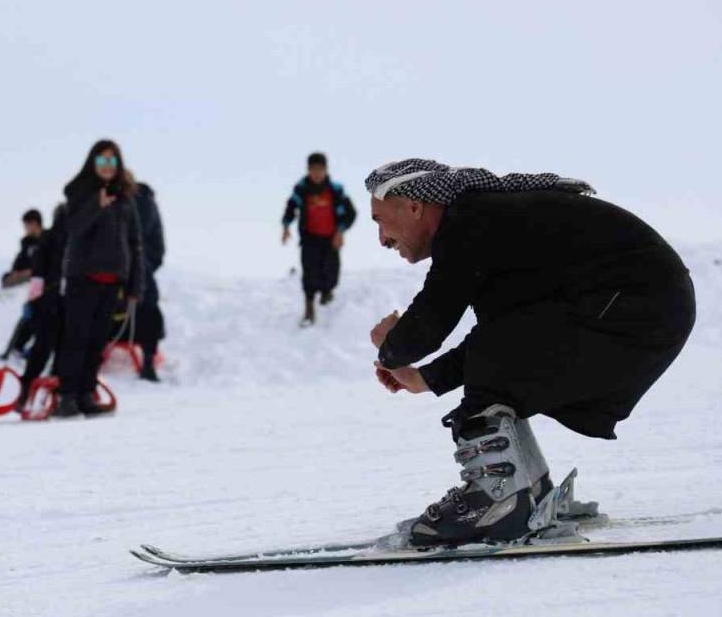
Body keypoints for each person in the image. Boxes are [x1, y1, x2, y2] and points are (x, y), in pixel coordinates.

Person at [365, 158, 695, 547]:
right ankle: (528, 494)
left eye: (379, 221)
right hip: (646, 308)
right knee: (502, 356)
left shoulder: (470, 219)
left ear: (414, 206)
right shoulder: (489, 222)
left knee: (497, 365)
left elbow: (434, 317)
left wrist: (390, 346)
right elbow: (506, 334)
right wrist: (426, 378)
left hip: (633, 305)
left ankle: (498, 502)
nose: (382, 239)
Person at [55, 140, 144, 417]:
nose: (107, 166)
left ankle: (86, 393)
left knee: (98, 341)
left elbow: (135, 242)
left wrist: (134, 284)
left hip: (113, 279)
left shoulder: (126, 197)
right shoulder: (79, 191)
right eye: (102, 161)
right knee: (76, 337)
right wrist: (97, 204)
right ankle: (67, 396)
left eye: (112, 161)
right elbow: (74, 229)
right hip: (83, 276)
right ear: (93, 163)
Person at [282, 153, 356, 325]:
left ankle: (327, 292)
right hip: (309, 238)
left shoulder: (336, 190)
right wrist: (286, 226)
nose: (317, 173)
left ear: (326, 170)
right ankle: (309, 308)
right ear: (308, 170)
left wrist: (340, 231)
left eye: (320, 169)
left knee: (331, 271)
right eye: (313, 169)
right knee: (309, 272)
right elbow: (291, 207)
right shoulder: (301, 189)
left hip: (331, 239)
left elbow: (350, 213)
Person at [17, 204, 67, 410]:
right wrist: (35, 300)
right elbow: (37, 272)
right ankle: (36, 389)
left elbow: (37, 273)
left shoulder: (51, 239)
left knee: (49, 347)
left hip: (56, 300)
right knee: (50, 346)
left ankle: (37, 389)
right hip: (51, 300)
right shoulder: (54, 239)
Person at [128, 170, 166, 382]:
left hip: (145, 259)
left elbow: (136, 235)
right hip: (124, 260)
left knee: (147, 303)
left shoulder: (143, 201)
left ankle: (148, 361)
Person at [0, 209, 44, 360]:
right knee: (29, 315)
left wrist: (28, 272)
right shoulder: (26, 244)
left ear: (34, 224)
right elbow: (18, 265)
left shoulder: (47, 240)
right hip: (32, 286)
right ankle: (16, 348)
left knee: (39, 317)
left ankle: (32, 349)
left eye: (27, 225)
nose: (25, 229)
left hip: (46, 284)